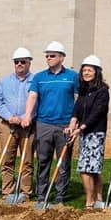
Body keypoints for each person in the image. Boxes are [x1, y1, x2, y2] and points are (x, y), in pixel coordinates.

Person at [24, 41, 79, 204]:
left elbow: (78, 99)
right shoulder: (39, 77)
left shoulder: (72, 77)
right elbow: (32, 96)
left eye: (52, 55)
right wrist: (27, 115)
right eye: (47, 55)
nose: (48, 58)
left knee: (63, 162)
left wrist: (74, 123)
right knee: (43, 160)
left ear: (62, 57)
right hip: (44, 124)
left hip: (65, 125)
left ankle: (60, 195)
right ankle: (42, 194)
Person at [0, 47, 36, 198]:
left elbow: (38, 102)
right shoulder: (5, 81)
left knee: (27, 160)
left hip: (27, 126)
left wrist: (26, 117)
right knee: (7, 159)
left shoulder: (35, 81)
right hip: (7, 125)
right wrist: (9, 116)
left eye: (22, 61)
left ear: (29, 62)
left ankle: (25, 191)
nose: (19, 64)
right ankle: (7, 191)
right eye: (16, 62)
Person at [68, 55, 110, 208]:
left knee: (86, 168)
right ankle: (98, 198)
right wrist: (73, 121)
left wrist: (81, 127)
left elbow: (97, 113)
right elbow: (77, 109)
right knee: (93, 168)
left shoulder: (102, 91)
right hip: (84, 133)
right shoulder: (84, 90)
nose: (86, 73)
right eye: (84, 70)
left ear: (96, 72)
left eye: (89, 70)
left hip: (96, 133)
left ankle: (89, 200)